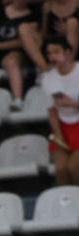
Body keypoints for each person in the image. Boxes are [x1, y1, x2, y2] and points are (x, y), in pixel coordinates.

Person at [0, 0, 45, 97]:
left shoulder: (33, 15)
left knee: (11, 60)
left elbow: (25, 42)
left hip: (20, 54)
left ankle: (17, 99)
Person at [46, 38, 79, 182]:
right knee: (61, 169)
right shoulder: (48, 79)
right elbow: (52, 112)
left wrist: (72, 104)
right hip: (63, 127)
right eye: (49, 53)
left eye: (56, 52)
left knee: (74, 167)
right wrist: (59, 138)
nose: (53, 57)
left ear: (68, 52)